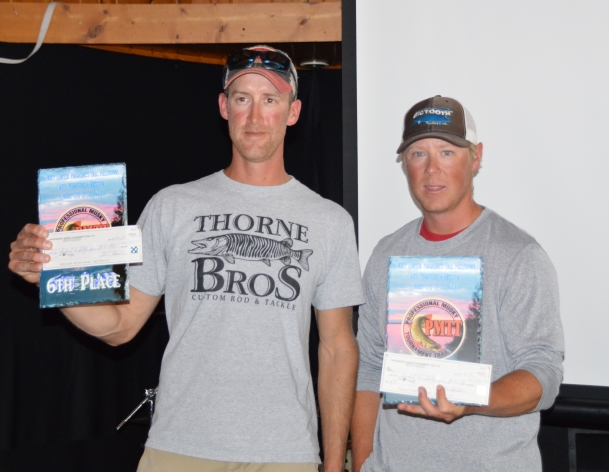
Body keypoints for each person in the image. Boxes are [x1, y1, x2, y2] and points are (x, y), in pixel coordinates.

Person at [8, 45, 364, 472]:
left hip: (285, 452)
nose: (255, 116)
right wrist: (52, 276)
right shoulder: (172, 205)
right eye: (242, 98)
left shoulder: (330, 221)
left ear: (293, 112)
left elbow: (337, 348)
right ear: (224, 107)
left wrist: (333, 464)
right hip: (179, 447)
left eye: (270, 100)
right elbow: (120, 326)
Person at [351, 96, 564, 471]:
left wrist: (471, 399)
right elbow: (369, 369)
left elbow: (543, 373)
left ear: (475, 157)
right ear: (405, 164)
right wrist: (363, 463)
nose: (431, 169)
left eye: (447, 153)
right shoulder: (386, 254)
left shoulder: (519, 255)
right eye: (418, 154)